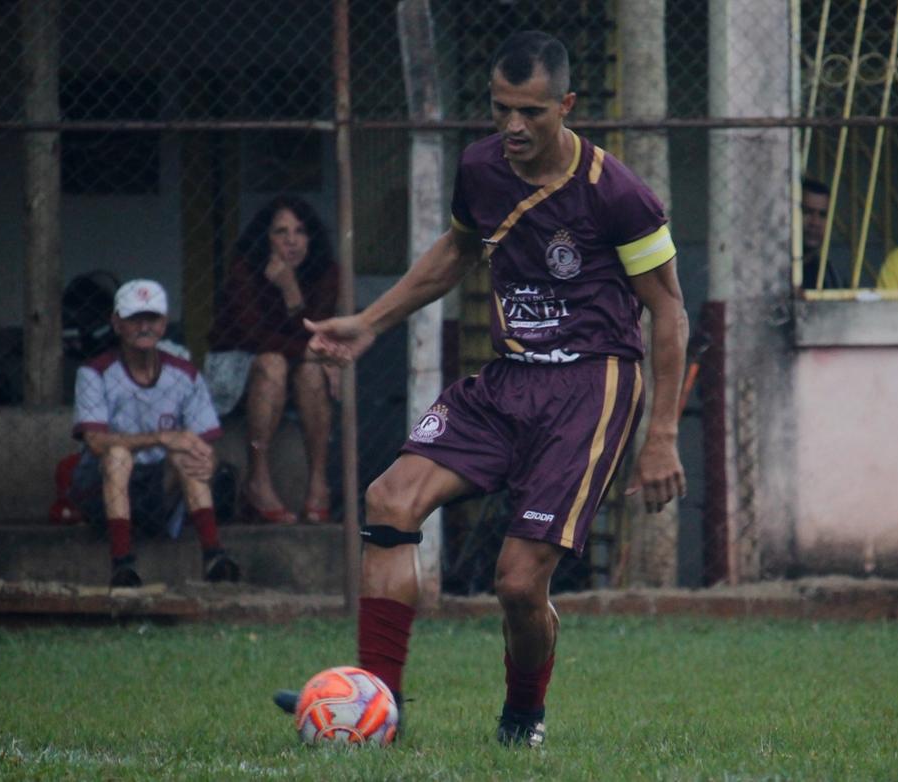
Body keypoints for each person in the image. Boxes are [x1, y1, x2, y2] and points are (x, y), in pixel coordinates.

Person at [273, 30, 688, 747]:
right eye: (501, 110)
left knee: (519, 585)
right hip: (507, 380)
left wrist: (662, 436)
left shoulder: (616, 194)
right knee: (388, 499)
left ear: (567, 104)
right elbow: (458, 252)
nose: (514, 128)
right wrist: (370, 322)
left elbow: (671, 310)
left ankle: (523, 716)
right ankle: (377, 707)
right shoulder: (482, 170)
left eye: (531, 112)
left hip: (592, 386)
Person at [70, 279, 240, 588]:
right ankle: (123, 565)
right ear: (117, 323)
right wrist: (161, 438)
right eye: (135, 319)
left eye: (152, 319)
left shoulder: (184, 373)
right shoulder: (94, 372)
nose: (144, 326)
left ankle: (215, 556)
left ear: (164, 324)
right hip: (101, 489)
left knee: (187, 452)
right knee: (118, 455)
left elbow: (206, 443)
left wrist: (209, 461)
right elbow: (95, 442)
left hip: (159, 493)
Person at [208, 196, 341, 525]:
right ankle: (258, 482)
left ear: (312, 237)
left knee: (311, 373)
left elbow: (318, 329)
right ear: (265, 239)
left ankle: (318, 486)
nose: (292, 240)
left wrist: (291, 291)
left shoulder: (324, 271)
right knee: (273, 364)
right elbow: (253, 335)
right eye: (281, 232)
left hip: (295, 367)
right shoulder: (245, 269)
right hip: (237, 368)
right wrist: (310, 349)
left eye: (300, 231)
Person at [799, 178, 877, 290]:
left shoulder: (831, 276)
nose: (815, 222)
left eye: (823, 215)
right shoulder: (772, 270)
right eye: (807, 212)